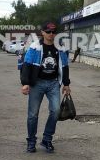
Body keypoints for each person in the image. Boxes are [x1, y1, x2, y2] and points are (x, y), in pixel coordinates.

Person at [20, 21, 71, 153]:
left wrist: (66, 84)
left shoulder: (60, 48)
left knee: (55, 111)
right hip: (37, 83)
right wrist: (25, 83)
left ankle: (47, 139)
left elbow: (65, 66)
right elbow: (26, 65)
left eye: (53, 32)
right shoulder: (35, 47)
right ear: (42, 32)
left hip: (53, 83)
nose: (51, 34)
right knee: (33, 114)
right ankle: (31, 141)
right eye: (48, 32)